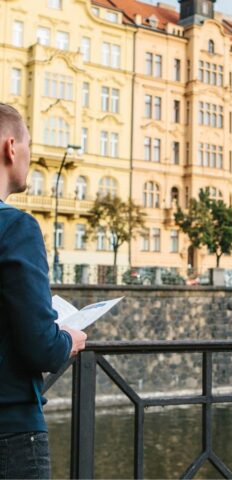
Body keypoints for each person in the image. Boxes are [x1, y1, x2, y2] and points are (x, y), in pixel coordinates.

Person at [0, 103, 87, 479]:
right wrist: (68, 337)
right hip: (10, 429)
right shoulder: (17, 228)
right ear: (11, 148)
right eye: (30, 145)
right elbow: (41, 345)